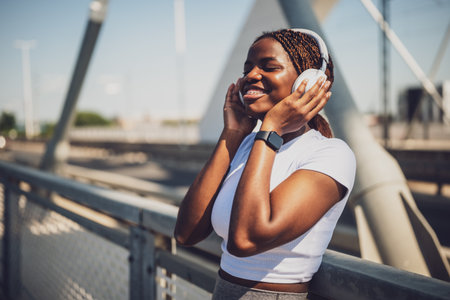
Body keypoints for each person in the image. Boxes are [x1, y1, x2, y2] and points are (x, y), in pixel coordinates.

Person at [174, 28, 356, 300]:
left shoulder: (331, 154)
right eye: (247, 69)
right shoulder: (249, 145)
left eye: (268, 67)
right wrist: (232, 134)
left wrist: (271, 129)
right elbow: (186, 233)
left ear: (307, 82)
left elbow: (246, 239)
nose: (250, 76)